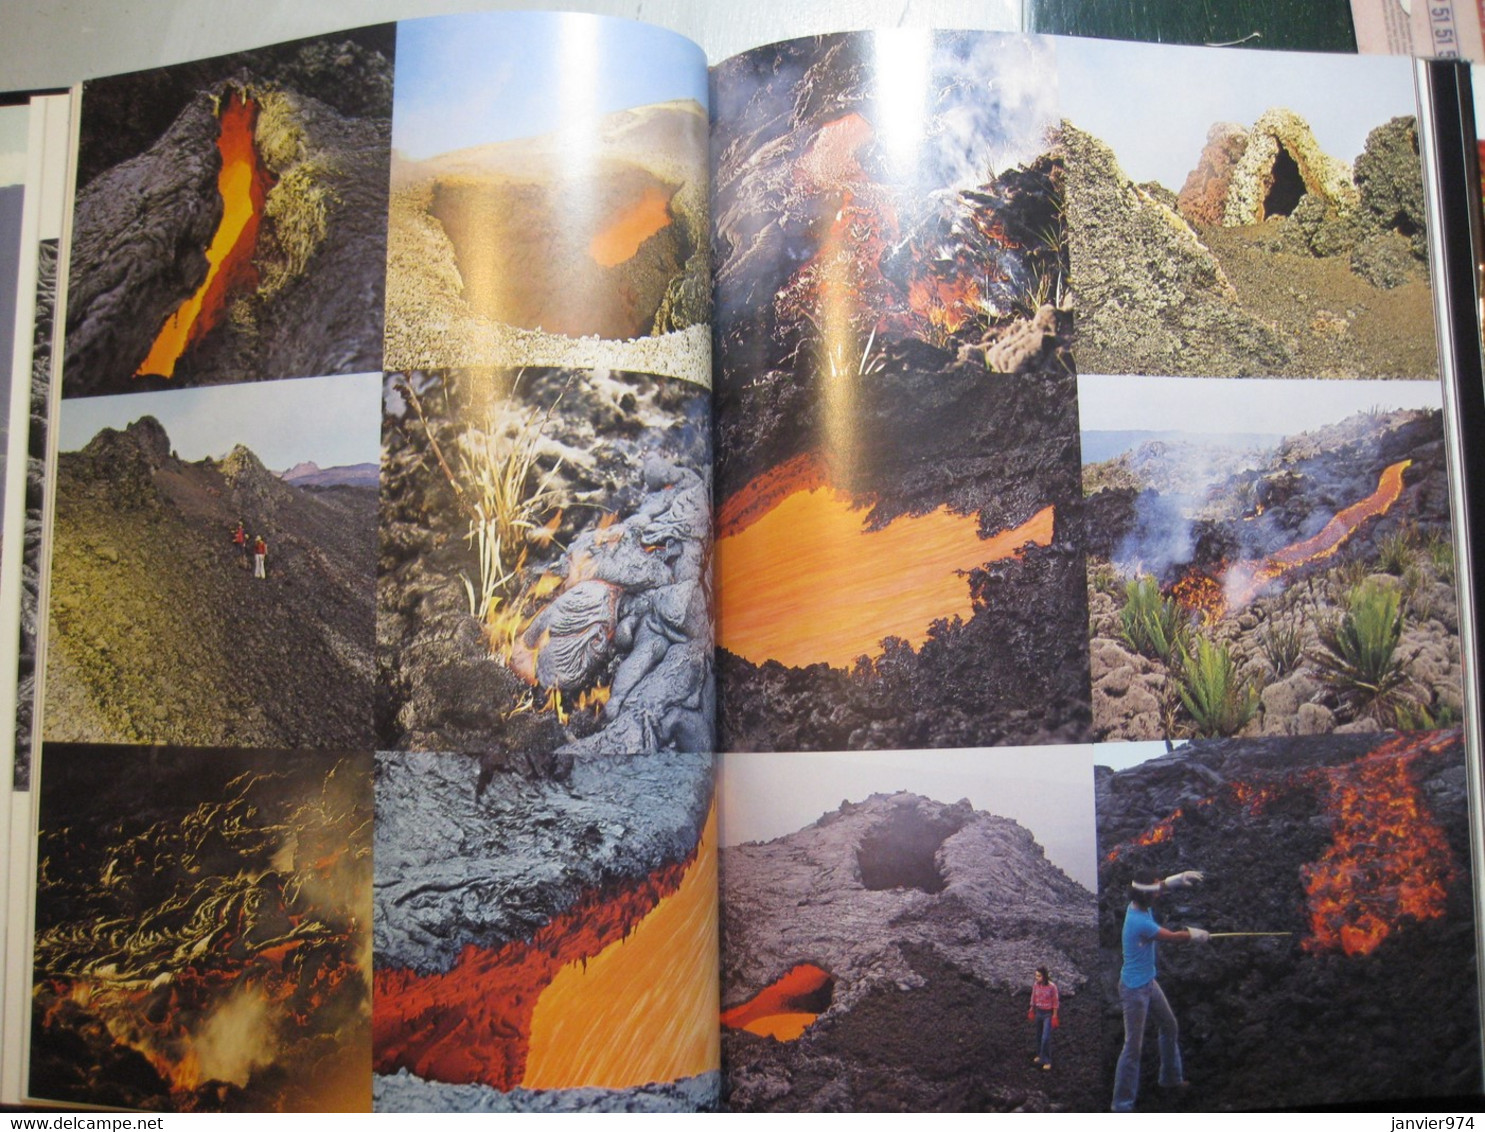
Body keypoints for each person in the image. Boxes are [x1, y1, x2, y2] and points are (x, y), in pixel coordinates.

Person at [1112, 870, 1209, 1113]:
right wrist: (1196, 935)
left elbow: (1156, 889)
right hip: (1134, 991)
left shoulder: (1136, 905)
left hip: (1148, 983)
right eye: (1155, 890)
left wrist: (1177, 879)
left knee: (1169, 1026)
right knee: (1132, 1049)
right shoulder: (1141, 922)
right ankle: (1121, 1107)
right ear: (1147, 897)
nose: (1158, 893)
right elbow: (1174, 937)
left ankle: (1170, 1079)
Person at [1028, 965, 1059, 1070]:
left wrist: (1054, 1016)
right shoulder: (1036, 985)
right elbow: (1033, 997)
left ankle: (1047, 1060)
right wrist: (1031, 1009)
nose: (1036, 978)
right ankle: (1040, 1054)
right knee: (1038, 1035)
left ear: (1044, 976)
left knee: (1045, 1037)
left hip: (1048, 1014)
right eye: (1036, 975)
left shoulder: (1052, 987)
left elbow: (1055, 1002)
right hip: (1039, 1012)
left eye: (1039, 976)